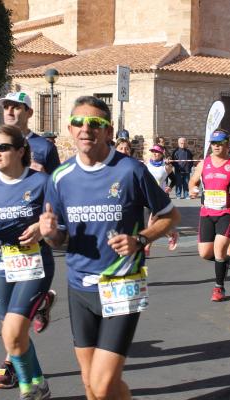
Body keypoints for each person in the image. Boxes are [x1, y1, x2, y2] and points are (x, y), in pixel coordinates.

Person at [39, 96, 180, 400]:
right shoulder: (60, 177)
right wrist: (50, 234)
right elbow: (59, 239)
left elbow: (171, 215)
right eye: (79, 122)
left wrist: (140, 239)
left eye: (95, 123)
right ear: (70, 129)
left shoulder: (130, 170)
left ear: (107, 131)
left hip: (122, 285)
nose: (86, 128)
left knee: (102, 387)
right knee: (94, 386)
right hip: (79, 288)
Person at [0, 125, 54, 399]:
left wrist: (42, 227)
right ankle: (39, 383)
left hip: (35, 262)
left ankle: (28, 389)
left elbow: (58, 222)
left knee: (14, 330)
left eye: (3, 147)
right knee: (10, 333)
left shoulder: (42, 183)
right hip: (1, 262)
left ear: (20, 151)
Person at [188, 131, 230, 302]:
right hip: (207, 212)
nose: (216, 146)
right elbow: (193, 181)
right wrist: (192, 190)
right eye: (213, 143)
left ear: (227, 145)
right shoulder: (204, 164)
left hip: (227, 212)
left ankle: (219, 287)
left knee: (219, 248)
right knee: (204, 253)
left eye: (219, 143)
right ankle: (224, 261)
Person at [0, 92, 61, 186]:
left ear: (29, 113)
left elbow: (58, 186)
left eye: (16, 107)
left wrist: (43, 175)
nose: (9, 112)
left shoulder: (46, 146)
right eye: (6, 107)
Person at [145, 144, 178, 254]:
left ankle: (146, 248)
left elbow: (174, 179)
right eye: (153, 151)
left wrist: (169, 187)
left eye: (157, 152)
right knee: (156, 224)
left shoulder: (166, 166)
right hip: (148, 198)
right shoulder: (146, 164)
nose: (155, 153)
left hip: (160, 198)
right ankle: (171, 235)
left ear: (162, 153)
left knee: (151, 224)